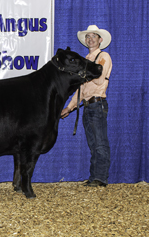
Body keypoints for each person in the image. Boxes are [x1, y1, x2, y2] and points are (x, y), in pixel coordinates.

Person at [61, 25, 112, 187]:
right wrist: (69, 108)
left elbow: (98, 79)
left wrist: (83, 74)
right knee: (93, 143)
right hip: (88, 106)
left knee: (100, 142)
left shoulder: (103, 57)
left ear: (100, 40)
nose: (90, 39)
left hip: (97, 104)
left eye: (93, 36)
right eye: (88, 37)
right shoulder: (86, 60)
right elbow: (81, 90)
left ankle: (101, 178)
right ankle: (94, 177)